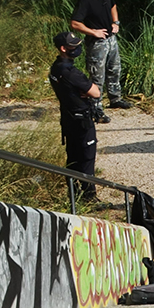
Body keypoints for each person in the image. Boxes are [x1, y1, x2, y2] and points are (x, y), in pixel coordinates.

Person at [70, 0, 126, 122]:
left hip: (111, 38)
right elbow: (75, 23)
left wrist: (116, 23)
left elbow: (113, 6)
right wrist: (93, 32)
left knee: (115, 68)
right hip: (97, 43)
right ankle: (96, 108)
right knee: (97, 76)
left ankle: (115, 99)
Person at [49, 32, 100, 201]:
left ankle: (74, 193)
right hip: (81, 120)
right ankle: (89, 197)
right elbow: (95, 92)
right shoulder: (71, 73)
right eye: (73, 46)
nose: (77, 48)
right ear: (63, 48)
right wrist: (85, 90)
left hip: (67, 118)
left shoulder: (55, 68)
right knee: (86, 158)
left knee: (72, 157)